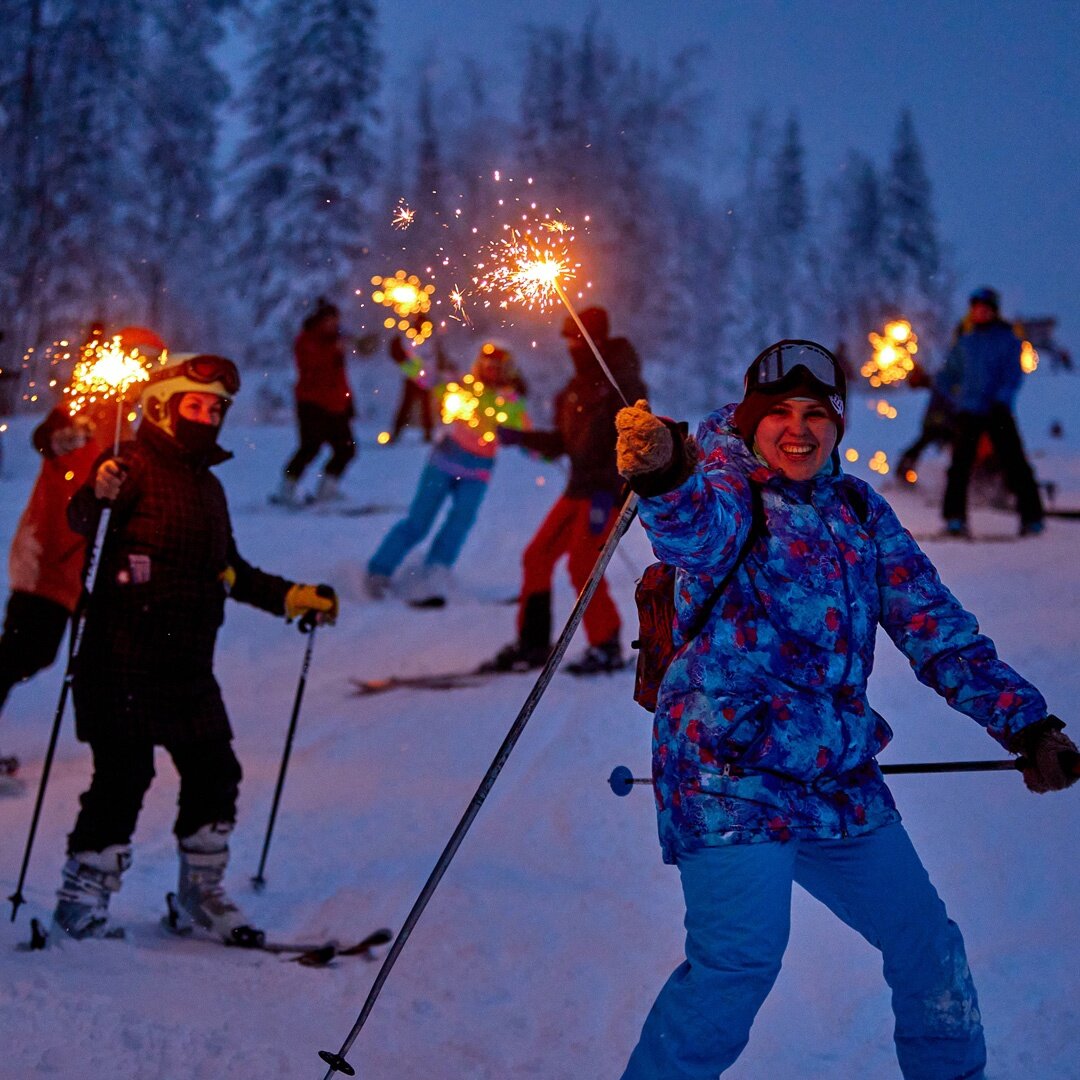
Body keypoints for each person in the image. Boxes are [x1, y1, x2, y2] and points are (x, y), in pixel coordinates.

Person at [613, 339, 1077, 1079]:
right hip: (728, 774)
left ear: (838, 423)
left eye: (817, 414)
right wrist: (665, 472)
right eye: (780, 415)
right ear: (751, 419)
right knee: (737, 967)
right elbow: (694, 529)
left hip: (834, 778)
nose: (799, 430)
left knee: (929, 947)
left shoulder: (858, 509)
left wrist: (1026, 722)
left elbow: (935, 628)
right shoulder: (726, 486)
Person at [52, 353, 339, 942]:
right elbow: (82, 518)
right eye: (194, 405)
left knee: (215, 771)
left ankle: (198, 896)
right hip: (121, 654)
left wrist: (292, 596)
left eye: (215, 409)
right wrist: (97, 489)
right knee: (124, 776)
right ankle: (81, 899)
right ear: (160, 406)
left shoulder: (207, 487)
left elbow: (227, 570)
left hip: (186, 663)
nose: (207, 416)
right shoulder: (128, 463)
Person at [0, 326, 165, 775]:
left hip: (82, 566)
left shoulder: (128, 419)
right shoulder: (91, 400)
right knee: (22, 652)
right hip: (49, 557)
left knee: (42, 654)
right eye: (142, 358)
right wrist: (57, 438)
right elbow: (52, 432)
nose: (146, 369)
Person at [484, 306, 646, 675]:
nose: (571, 346)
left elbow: (634, 433)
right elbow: (565, 441)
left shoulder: (621, 380)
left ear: (595, 340)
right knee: (537, 556)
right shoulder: (575, 387)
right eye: (568, 339)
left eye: (576, 338)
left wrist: (616, 485)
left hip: (605, 490)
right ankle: (533, 642)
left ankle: (606, 644)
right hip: (578, 487)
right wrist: (520, 437)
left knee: (582, 563)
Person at [365, 341, 529, 607]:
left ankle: (435, 572)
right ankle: (379, 572)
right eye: (486, 365)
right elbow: (428, 378)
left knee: (460, 523)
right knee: (419, 520)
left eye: (497, 367)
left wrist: (547, 449)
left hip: (478, 470)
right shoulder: (463, 386)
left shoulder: (509, 399)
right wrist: (404, 359)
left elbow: (523, 433)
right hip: (444, 461)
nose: (490, 371)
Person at [939, 287, 1044, 537]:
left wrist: (1002, 399)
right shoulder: (966, 341)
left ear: (994, 311)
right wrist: (954, 396)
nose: (980, 312)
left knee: (1014, 463)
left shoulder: (1007, 340)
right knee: (960, 465)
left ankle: (1032, 517)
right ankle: (954, 518)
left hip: (997, 410)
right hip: (969, 410)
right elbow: (949, 374)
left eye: (985, 308)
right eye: (976, 308)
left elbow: (1013, 375)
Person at [273, 299, 356, 506]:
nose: (333, 324)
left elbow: (339, 376)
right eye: (329, 320)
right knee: (310, 447)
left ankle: (327, 489)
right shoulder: (307, 340)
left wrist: (349, 402)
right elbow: (312, 368)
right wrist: (332, 348)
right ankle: (287, 488)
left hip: (336, 404)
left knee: (346, 449)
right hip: (312, 403)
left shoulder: (334, 340)